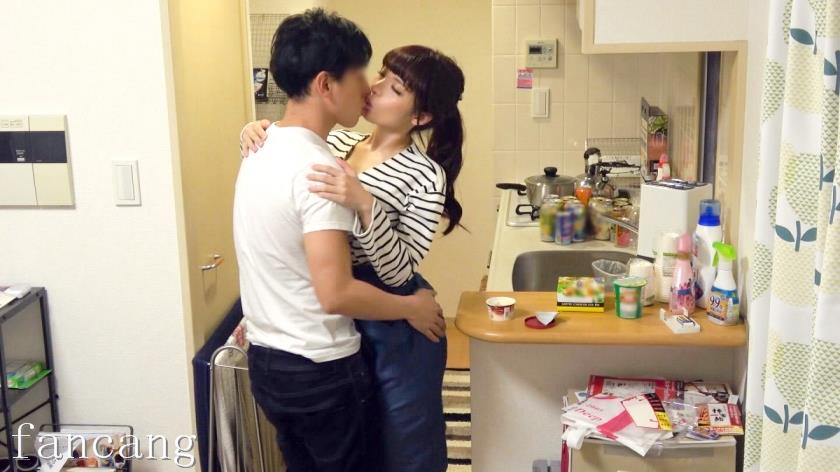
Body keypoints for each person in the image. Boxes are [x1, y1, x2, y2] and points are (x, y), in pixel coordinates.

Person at [233, 9, 446, 472]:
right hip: (325, 349)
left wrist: (365, 203)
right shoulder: (326, 157)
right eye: (371, 75)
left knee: (402, 447)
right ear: (326, 85)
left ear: (421, 115)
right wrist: (410, 306)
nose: (371, 87)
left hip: (299, 347)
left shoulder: (422, 174)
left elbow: (397, 268)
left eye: (392, 86)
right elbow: (335, 292)